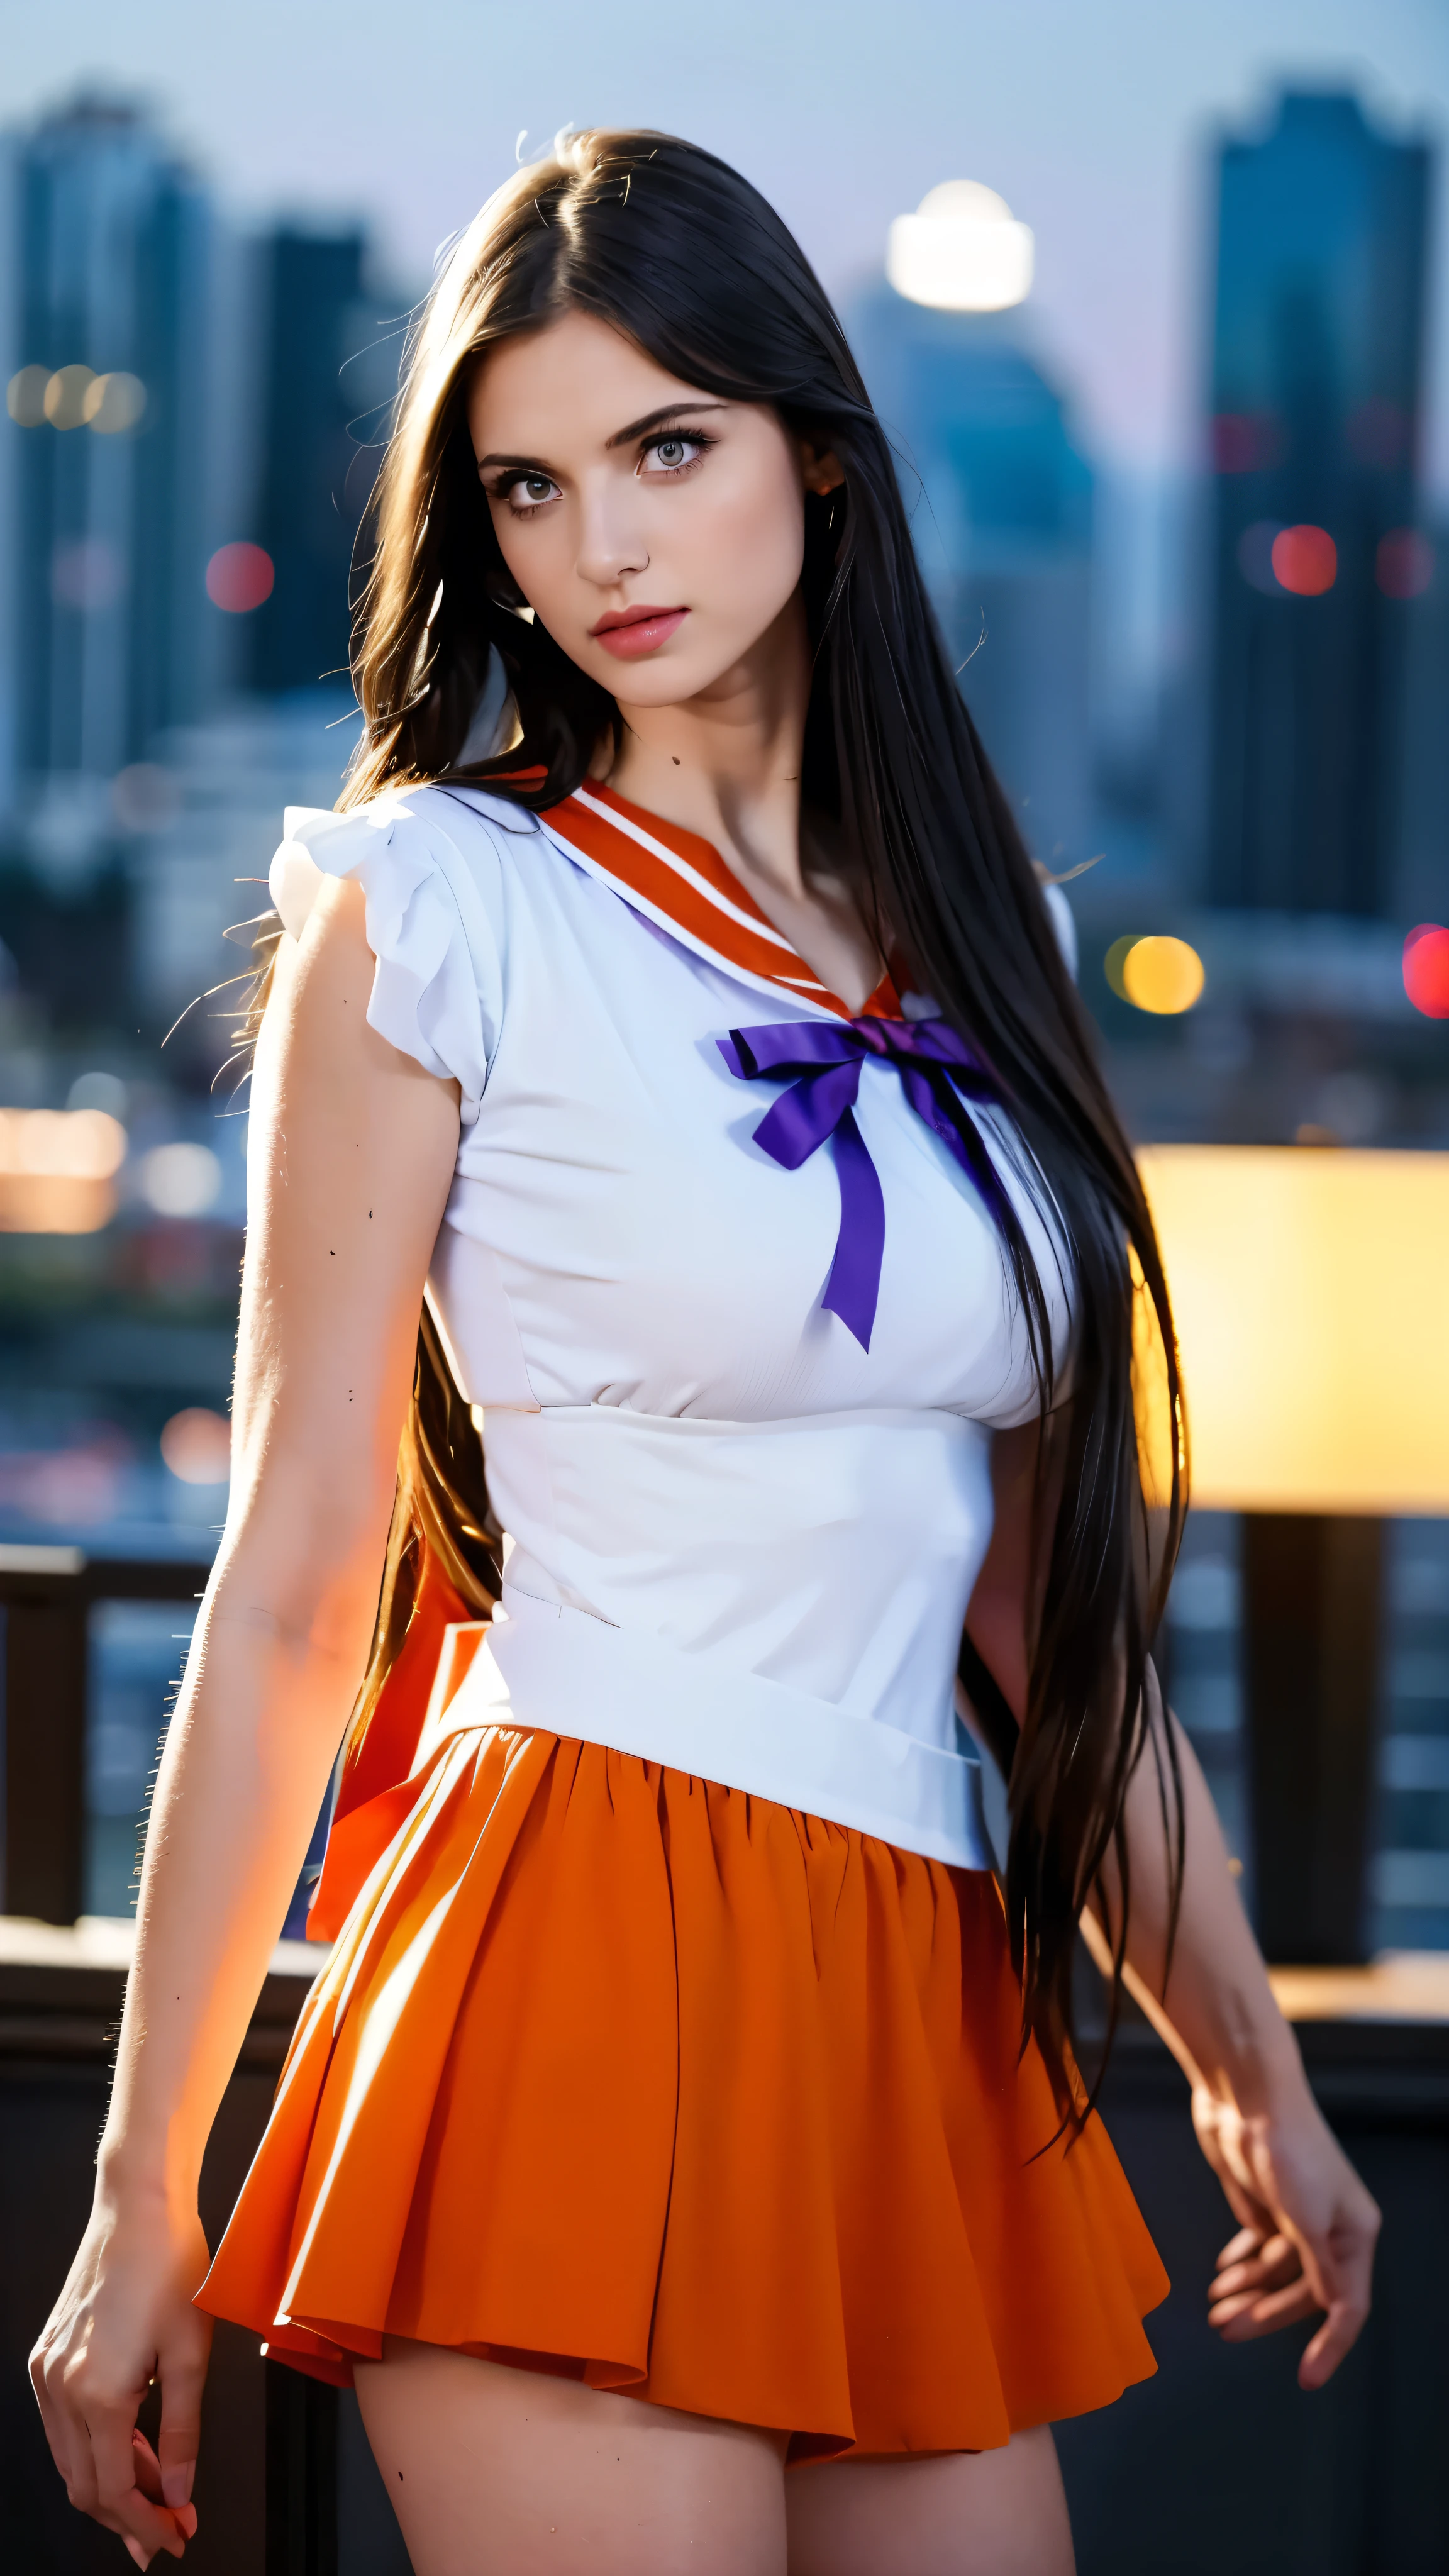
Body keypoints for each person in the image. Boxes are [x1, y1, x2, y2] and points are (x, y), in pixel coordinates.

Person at [32, 129, 1379, 2576]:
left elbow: (1042, 1621)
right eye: (529, 485)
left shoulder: (990, 943)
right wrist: (148, 2196)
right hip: (581, 1927)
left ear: (818, 457)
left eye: (669, 448)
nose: (604, 549)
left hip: (919, 1984)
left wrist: (1248, 2054)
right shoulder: (436, 905)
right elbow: (300, 1574)